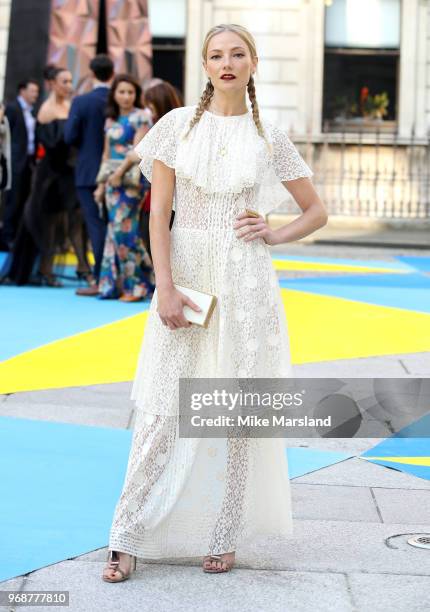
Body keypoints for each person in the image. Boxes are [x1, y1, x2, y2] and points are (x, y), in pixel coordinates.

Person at [102, 23, 327, 582]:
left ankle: (224, 536)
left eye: (237, 54)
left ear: (253, 63)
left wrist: (271, 233)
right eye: (215, 55)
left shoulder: (269, 135)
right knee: (160, 408)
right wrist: (165, 285)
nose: (226, 63)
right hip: (188, 273)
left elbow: (315, 212)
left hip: (246, 283)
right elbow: (158, 215)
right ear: (203, 65)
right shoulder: (175, 126)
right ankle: (125, 536)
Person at [0, 68, 90, 286]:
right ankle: (47, 269)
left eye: (70, 81)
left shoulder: (70, 106)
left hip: (70, 172)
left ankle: (83, 267)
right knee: (49, 224)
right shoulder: (46, 110)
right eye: (64, 81)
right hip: (52, 175)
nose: (69, 85)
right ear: (52, 84)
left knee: (76, 221)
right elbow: (51, 145)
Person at [93, 74, 155, 302]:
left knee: (125, 230)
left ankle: (137, 286)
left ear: (136, 95)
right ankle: (112, 284)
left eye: (130, 92)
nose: (126, 96)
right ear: (114, 94)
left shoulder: (142, 118)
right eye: (122, 92)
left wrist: (118, 174)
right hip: (112, 181)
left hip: (131, 182)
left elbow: (138, 152)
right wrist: (101, 185)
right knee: (114, 231)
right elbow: (106, 155)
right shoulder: (110, 120)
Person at [64, 54, 114, 295]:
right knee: (116, 225)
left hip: (87, 172)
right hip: (117, 173)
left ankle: (100, 280)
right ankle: (117, 277)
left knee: (95, 225)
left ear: (92, 73)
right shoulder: (118, 100)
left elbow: (69, 136)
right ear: (112, 74)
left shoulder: (82, 102)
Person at [139, 79, 183, 258]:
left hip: (165, 199)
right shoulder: (166, 125)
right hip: (161, 198)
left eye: (150, 105)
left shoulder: (167, 128)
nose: (147, 110)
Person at [1, 79, 40, 249]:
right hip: (15, 161)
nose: (35, 95)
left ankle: (16, 237)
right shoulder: (12, 108)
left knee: (23, 199)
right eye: (32, 91)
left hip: (28, 162)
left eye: (37, 92)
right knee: (12, 200)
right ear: (22, 91)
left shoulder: (32, 111)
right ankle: (6, 237)